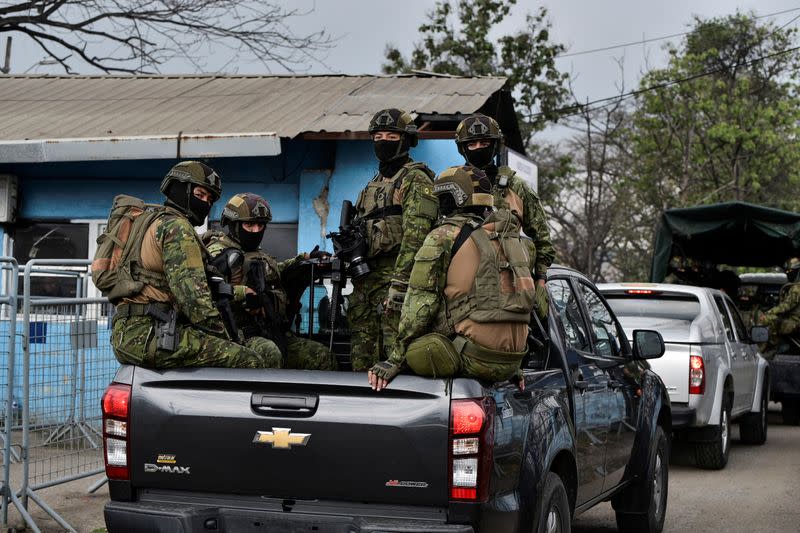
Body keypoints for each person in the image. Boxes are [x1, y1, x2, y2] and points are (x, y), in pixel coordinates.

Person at [368, 166, 535, 391]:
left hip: (472, 359)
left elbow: (420, 305)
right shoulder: (512, 239)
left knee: (416, 349)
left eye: (442, 197)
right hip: (513, 362)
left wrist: (395, 360)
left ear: (453, 197)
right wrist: (513, 366)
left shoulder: (443, 236)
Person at [109, 161, 277, 368]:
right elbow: (195, 301)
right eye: (199, 195)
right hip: (150, 334)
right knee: (251, 360)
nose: (205, 203)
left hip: (131, 331)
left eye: (209, 199)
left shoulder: (152, 221)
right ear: (179, 187)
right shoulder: (177, 228)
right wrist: (227, 338)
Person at [348, 108, 439, 371]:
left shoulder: (415, 180)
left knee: (394, 361)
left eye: (391, 135)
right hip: (365, 283)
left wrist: (399, 287)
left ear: (406, 139)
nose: (383, 141)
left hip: (396, 286)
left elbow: (416, 239)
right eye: (378, 136)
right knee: (360, 364)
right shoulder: (372, 183)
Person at [204, 193, 336, 370]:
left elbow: (275, 272)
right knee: (269, 353)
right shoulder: (219, 252)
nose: (256, 231)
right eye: (249, 225)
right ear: (233, 225)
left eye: (260, 225)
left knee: (321, 356)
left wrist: (305, 259)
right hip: (237, 336)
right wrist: (241, 294)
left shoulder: (255, 252)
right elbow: (205, 289)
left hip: (269, 330)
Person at [455, 114, 554, 305]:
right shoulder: (451, 185)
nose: (478, 149)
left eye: (484, 143)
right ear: (462, 149)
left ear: (494, 145)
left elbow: (542, 241)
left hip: (509, 289)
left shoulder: (516, 187)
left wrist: (540, 281)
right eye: (472, 144)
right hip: (462, 287)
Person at [761, 257, 800, 356]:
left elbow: (786, 306)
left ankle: (773, 348)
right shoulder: (794, 286)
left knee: (769, 319)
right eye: (786, 271)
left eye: (791, 271)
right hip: (794, 319)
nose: (788, 273)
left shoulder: (797, 288)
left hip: (796, 322)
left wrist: (769, 312)